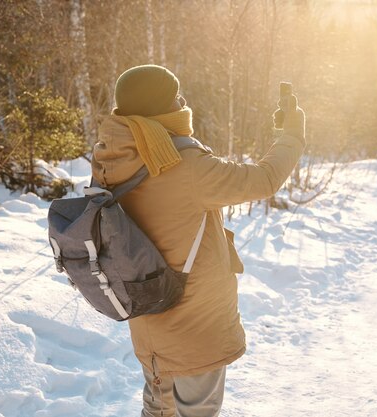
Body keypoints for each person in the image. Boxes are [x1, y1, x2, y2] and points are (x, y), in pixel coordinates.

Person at [91, 64, 305, 417]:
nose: (181, 102)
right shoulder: (183, 164)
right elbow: (265, 179)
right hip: (194, 323)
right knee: (198, 411)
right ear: (164, 108)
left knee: (159, 407)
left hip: (148, 315)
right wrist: (292, 134)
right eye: (176, 97)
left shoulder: (110, 157)